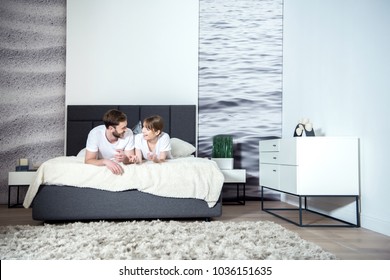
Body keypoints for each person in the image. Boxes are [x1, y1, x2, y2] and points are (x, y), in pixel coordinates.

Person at [85, 109, 136, 174]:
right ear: (111, 128)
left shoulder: (128, 133)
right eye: (123, 128)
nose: (126, 130)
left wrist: (124, 158)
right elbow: (88, 160)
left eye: (126, 126)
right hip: (97, 155)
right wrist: (105, 161)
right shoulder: (95, 134)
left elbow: (130, 160)